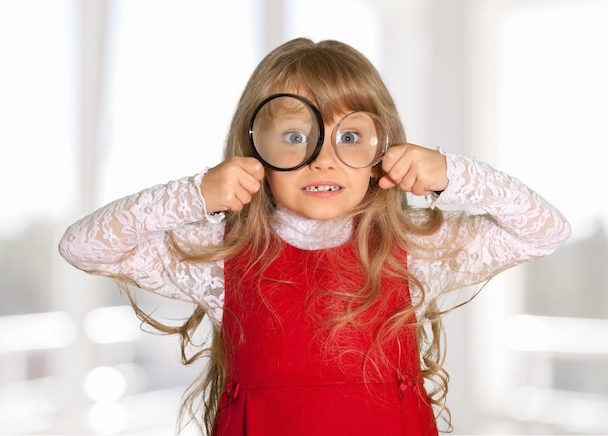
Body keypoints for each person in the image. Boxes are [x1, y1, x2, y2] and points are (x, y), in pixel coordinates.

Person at [58, 38, 571, 435]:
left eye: (349, 136)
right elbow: (83, 245)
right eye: (295, 135)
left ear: (381, 152)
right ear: (256, 151)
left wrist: (453, 174)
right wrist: (196, 194)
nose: (323, 157)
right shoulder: (222, 259)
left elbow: (545, 232)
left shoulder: (415, 250)